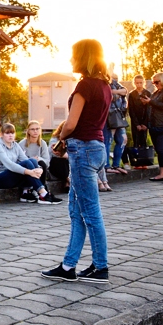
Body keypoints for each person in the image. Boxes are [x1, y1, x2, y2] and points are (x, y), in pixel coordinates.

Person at [41, 39, 112, 283]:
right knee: (76, 211)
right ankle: (68, 265)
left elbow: (71, 123)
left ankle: (100, 266)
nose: (71, 59)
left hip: (82, 149)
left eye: (73, 55)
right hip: (96, 147)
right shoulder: (105, 85)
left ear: (83, 56)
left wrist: (60, 140)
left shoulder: (85, 85)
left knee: (90, 212)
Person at [0, 123, 62, 204]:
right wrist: (29, 172)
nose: (10, 135)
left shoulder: (15, 145)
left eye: (12, 133)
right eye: (7, 133)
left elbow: (25, 159)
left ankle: (25, 193)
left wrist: (39, 169)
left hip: (10, 176)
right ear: (2, 134)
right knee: (27, 164)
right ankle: (43, 193)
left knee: (32, 161)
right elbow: (9, 164)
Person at [143, 72, 163, 183]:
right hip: (154, 125)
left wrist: (150, 102)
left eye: (157, 82)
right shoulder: (156, 93)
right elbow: (153, 106)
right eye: (154, 82)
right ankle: (162, 173)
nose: (155, 84)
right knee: (159, 150)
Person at [104, 73, 128, 175]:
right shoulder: (103, 84)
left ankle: (116, 164)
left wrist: (116, 92)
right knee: (108, 141)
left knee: (123, 140)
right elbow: (111, 97)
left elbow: (125, 91)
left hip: (119, 115)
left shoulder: (115, 84)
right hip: (109, 116)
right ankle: (106, 166)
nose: (115, 80)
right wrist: (117, 94)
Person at [18, 120, 52, 192]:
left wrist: (38, 158)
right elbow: (18, 160)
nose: (35, 131)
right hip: (27, 168)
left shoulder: (43, 143)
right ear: (28, 131)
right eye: (32, 129)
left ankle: (42, 188)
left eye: (37, 129)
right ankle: (40, 191)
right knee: (31, 163)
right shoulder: (22, 144)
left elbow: (47, 162)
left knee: (42, 163)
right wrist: (31, 160)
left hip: (40, 168)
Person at [127, 75, 151, 169]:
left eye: (140, 82)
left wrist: (145, 124)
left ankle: (144, 162)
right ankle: (137, 163)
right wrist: (136, 124)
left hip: (145, 120)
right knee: (136, 141)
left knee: (144, 141)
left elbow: (149, 110)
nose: (139, 84)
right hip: (135, 121)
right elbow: (131, 110)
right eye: (137, 83)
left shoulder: (147, 93)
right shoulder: (132, 94)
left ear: (143, 82)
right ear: (134, 83)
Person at [48, 120, 70, 192]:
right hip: (55, 166)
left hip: (67, 165)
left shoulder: (73, 140)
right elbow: (57, 153)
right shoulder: (55, 139)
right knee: (61, 161)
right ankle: (69, 180)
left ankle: (68, 182)